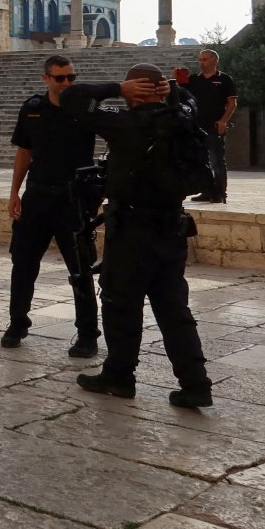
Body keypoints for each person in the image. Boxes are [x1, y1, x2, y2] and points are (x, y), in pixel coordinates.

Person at [64, 63, 213, 409]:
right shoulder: (182, 120)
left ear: (135, 92)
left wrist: (117, 86)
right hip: (171, 229)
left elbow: (72, 97)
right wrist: (170, 92)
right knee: (174, 309)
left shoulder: (125, 125)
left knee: (120, 304)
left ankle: (119, 376)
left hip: (132, 231)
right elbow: (191, 97)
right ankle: (196, 384)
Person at [2, 54, 100, 357]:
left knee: (80, 268)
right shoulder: (32, 109)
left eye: (72, 77)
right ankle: (18, 323)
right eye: (61, 78)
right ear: (46, 79)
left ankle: (87, 334)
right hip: (38, 197)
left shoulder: (85, 109)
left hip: (73, 200)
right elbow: (24, 152)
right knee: (23, 262)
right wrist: (14, 192)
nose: (68, 83)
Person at [186, 48, 238, 204]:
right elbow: (181, 96)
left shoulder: (224, 79)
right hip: (196, 127)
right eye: (200, 60)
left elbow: (232, 102)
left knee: (217, 161)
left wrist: (223, 120)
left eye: (205, 59)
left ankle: (220, 193)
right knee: (200, 160)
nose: (201, 62)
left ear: (214, 60)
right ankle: (206, 191)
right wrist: (177, 80)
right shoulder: (194, 79)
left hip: (214, 127)